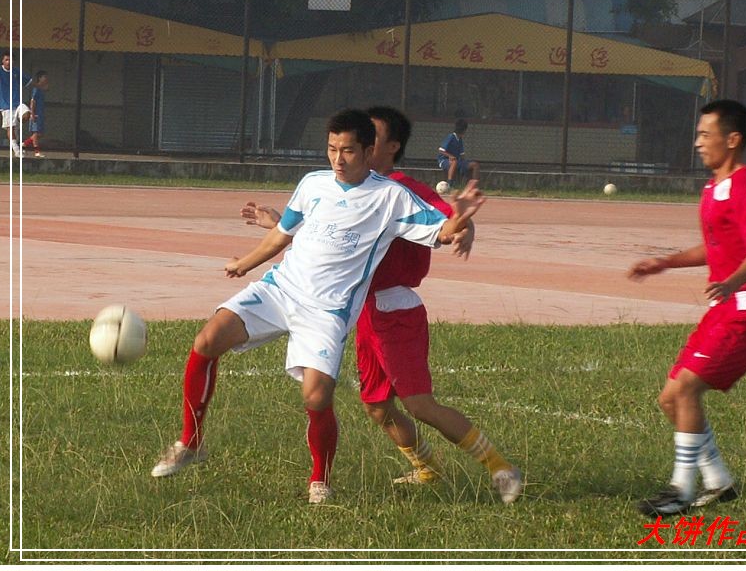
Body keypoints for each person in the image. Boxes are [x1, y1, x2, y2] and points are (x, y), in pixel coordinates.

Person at [151, 109, 485, 505]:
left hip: (327, 311)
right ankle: (190, 442)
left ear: (368, 151)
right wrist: (245, 263)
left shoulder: (391, 196)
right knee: (207, 340)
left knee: (316, 397)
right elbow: (283, 233)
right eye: (331, 149)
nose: (338, 159)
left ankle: (320, 479)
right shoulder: (312, 183)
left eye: (348, 151)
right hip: (280, 289)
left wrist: (460, 219)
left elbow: (441, 231)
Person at [243, 106, 522, 504]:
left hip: (395, 308)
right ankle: (426, 468)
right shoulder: (347, 189)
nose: (354, 146)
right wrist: (277, 223)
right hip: (359, 310)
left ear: (390, 146)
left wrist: (466, 226)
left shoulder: (400, 189)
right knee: (376, 407)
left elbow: (448, 220)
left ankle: (501, 468)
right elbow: (329, 238)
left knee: (420, 404)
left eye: (368, 138)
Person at [628, 99, 746, 516]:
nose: (698, 142)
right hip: (726, 310)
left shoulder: (745, 186)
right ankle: (718, 481)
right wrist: (665, 262)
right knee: (670, 398)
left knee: (687, 389)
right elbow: (716, 248)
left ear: (732, 140)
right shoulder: (714, 188)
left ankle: (680, 490)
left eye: (705, 134)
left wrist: (732, 281)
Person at [0, 52, 33, 157]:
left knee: (27, 114)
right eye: (6, 60)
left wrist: (40, 86)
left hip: (18, 103)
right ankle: (17, 150)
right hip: (6, 105)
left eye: (10, 60)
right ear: (2, 61)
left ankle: (17, 124)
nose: (8, 62)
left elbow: (28, 81)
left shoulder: (16, 71)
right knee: (11, 128)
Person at [437, 118, 479, 191]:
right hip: (445, 160)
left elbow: (462, 155)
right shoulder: (451, 137)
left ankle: (474, 187)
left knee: (475, 165)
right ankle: (450, 184)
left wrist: (465, 164)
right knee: (454, 161)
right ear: (464, 130)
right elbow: (441, 150)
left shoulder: (460, 140)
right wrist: (450, 156)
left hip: (457, 160)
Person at [22, 70, 48, 158]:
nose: (46, 78)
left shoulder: (42, 90)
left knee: (39, 134)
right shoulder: (36, 89)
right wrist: (32, 113)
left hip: (40, 114)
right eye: (44, 77)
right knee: (36, 133)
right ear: (39, 78)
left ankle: (24, 144)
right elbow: (33, 101)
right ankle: (37, 152)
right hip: (36, 114)